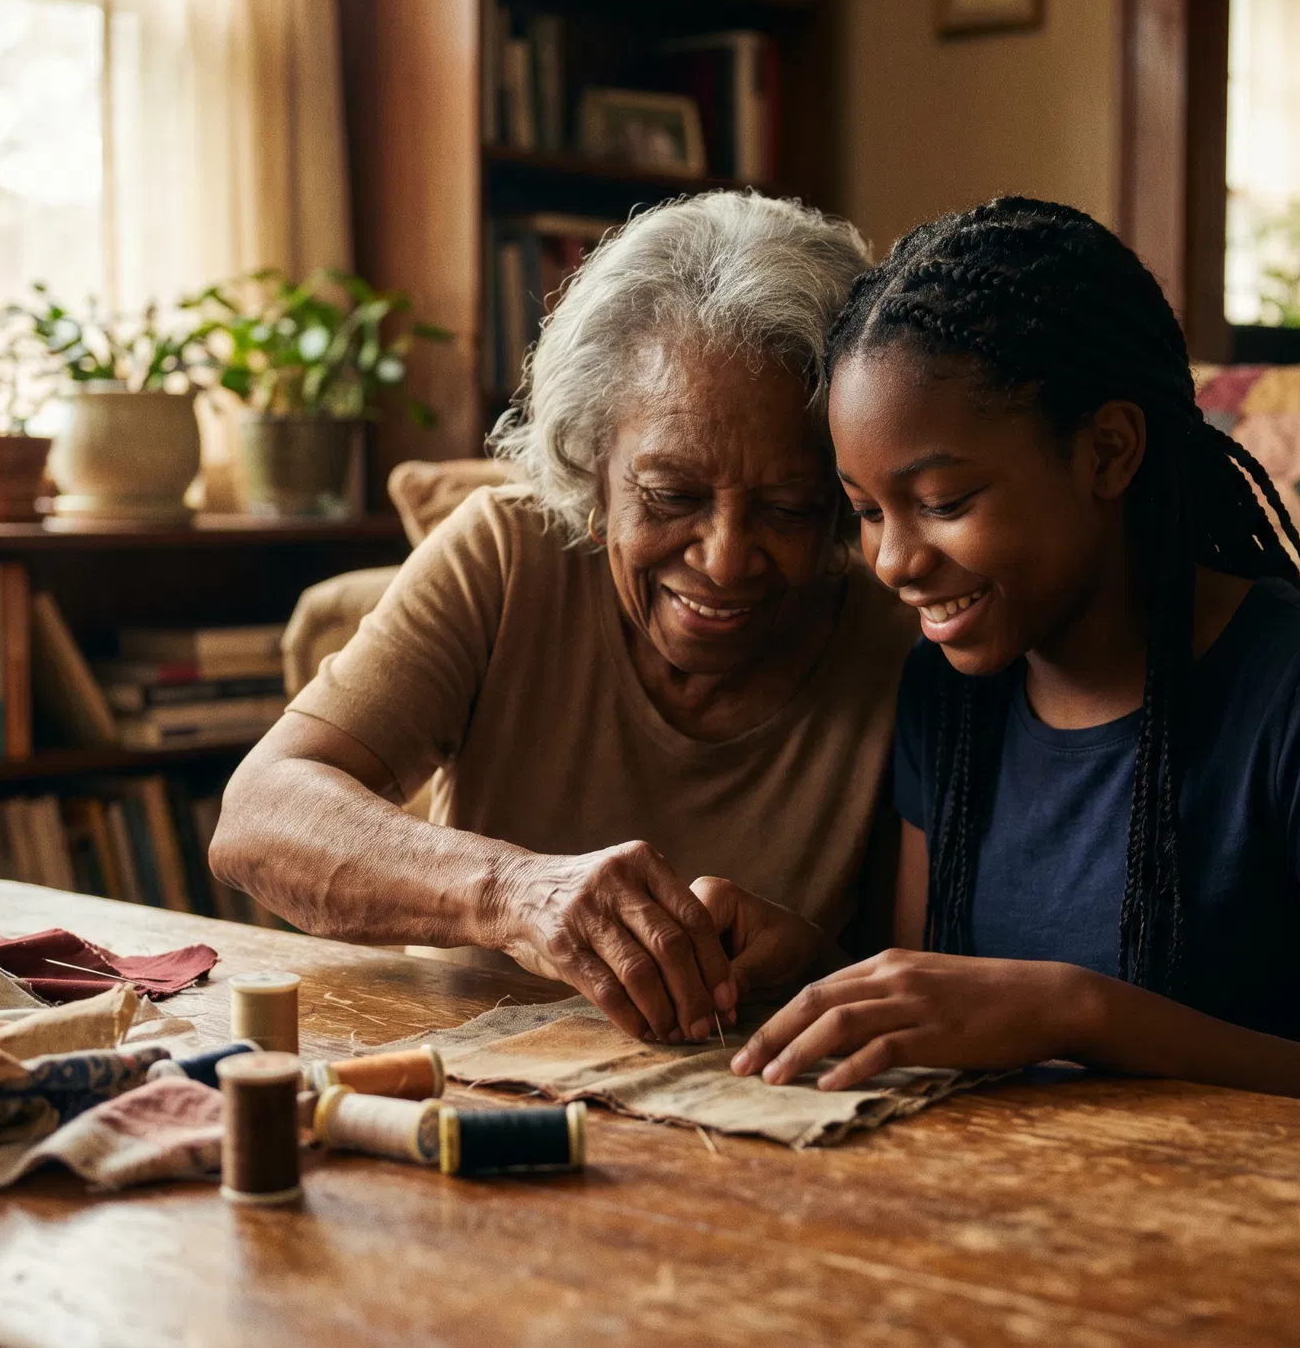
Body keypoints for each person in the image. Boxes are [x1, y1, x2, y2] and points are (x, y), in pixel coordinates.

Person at [701, 197, 1300, 1121]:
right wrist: (822, 973)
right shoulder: (946, 696)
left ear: (1108, 451)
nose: (894, 561)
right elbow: (954, 1029)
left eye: (944, 501)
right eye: (868, 511)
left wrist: (1077, 1012)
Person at [211, 191, 916, 1047]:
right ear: (592, 470)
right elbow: (256, 819)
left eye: (790, 509)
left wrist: (814, 961)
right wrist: (515, 893)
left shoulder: (905, 632)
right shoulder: (506, 558)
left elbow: (932, 972)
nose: (726, 558)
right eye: (671, 497)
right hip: (457, 1086)